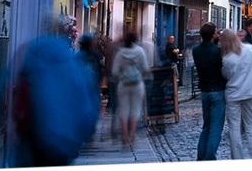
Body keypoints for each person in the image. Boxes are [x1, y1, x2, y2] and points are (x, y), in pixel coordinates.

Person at [9, 15, 101, 167]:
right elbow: (84, 102)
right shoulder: (71, 62)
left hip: (32, 134)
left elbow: (6, 87)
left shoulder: (28, 53)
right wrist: (84, 131)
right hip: (62, 139)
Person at [219, 28, 252, 159]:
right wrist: (251, 75)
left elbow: (226, 75)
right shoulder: (250, 49)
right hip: (250, 92)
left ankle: (237, 158)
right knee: (251, 128)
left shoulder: (228, 58)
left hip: (234, 94)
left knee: (234, 128)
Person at [110, 30, 151, 149]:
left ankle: (125, 135)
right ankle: (132, 135)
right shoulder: (140, 51)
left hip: (123, 84)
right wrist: (139, 74)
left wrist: (123, 75)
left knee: (123, 110)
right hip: (137, 84)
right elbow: (145, 68)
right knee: (135, 110)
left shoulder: (120, 53)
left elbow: (114, 72)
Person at [192, 22, 226, 161]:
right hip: (217, 89)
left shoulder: (196, 50)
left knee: (206, 126)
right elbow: (222, 70)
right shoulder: (218, 51)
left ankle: (201, 156)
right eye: (216, 32)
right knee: (216, 127)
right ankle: (209, 157)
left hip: (204, 90)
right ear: (213, 35)